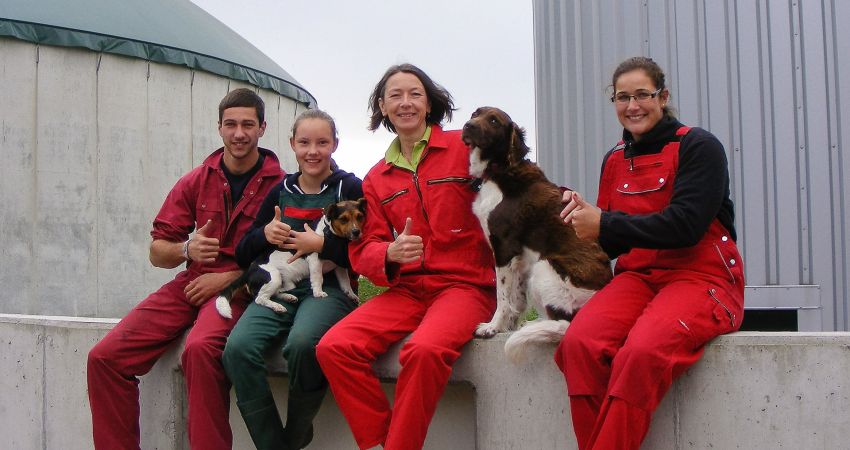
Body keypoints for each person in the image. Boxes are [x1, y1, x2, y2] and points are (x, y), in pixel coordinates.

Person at [555, 56, 745, 450]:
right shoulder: (614, 159)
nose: (632, 106)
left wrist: (604, 223)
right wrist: (574, 221)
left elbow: (686, 225)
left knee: (639, 354)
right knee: (578, 345)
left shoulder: (699, 146)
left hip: (702, 279)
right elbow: (611, 244)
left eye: (643, 94)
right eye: (622, 97)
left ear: (664, 96)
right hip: (638, 279)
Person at [87, 88, 284, 450]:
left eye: (247, 124)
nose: (238, 133)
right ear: (219, 128)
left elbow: (289, 259)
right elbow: (157, 252)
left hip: (242, 289)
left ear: (262, 129)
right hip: (190, 283)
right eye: (230, 124)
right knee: (105, 358)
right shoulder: (197, 180)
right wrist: (186, 247)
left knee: (200, 350)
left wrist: (231, 278)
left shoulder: (282, 185)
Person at [315, 63, 497, 450]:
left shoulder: (465, 150)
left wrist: (560, 199)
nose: (405, 103)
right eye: (395, 96)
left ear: (429, 102)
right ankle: (381, 442)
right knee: (334, 348)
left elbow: (518, 179)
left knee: (424, 350)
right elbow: (363, 248)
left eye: (414, 94)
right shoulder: (377, 178)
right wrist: (390, 253)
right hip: (409, 289)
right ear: (382, 107)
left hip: (465, 286)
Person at [221, 109, 363, 450]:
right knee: (238, 349)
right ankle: (274, 444)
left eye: (322, 142)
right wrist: (265, 234)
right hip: (281, 283)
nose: (312, 151)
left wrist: (323, 244)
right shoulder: (279, 190)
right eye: (304, 142)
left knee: (303, 345)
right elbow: (243, 252)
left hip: (328, 290)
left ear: (335, 145)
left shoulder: (351, 187)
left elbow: (369, 253)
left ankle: (298, 431)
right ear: (292, 145)